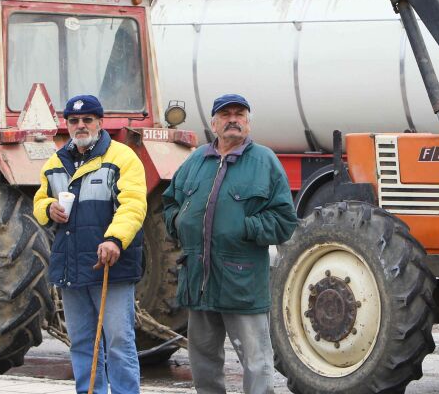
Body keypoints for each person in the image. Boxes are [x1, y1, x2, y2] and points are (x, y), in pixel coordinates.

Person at [163, 94, 297, 394]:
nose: (232, 119)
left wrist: (244, 226)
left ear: (248, 122)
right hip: (198, 281)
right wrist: (179, 223)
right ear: (214, 123)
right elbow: (170, 202)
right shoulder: (196, 160)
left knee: (257, 363)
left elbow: (285, 221)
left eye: (239, 114)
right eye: (225, 114)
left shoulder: (265, 162)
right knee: (203, 362)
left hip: (243, 282)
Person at [33, 94, 147, 394]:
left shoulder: (122, 158)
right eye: (74, 121)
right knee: (82, 342)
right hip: (71, 267)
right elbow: (39, 200)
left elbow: (133, 205)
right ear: (67, 125)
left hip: (110, 265)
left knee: (119, 340)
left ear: (99, 122)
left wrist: (114, 239)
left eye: (87, 120)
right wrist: (48, 209)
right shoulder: (55, 163)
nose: (80, 126)